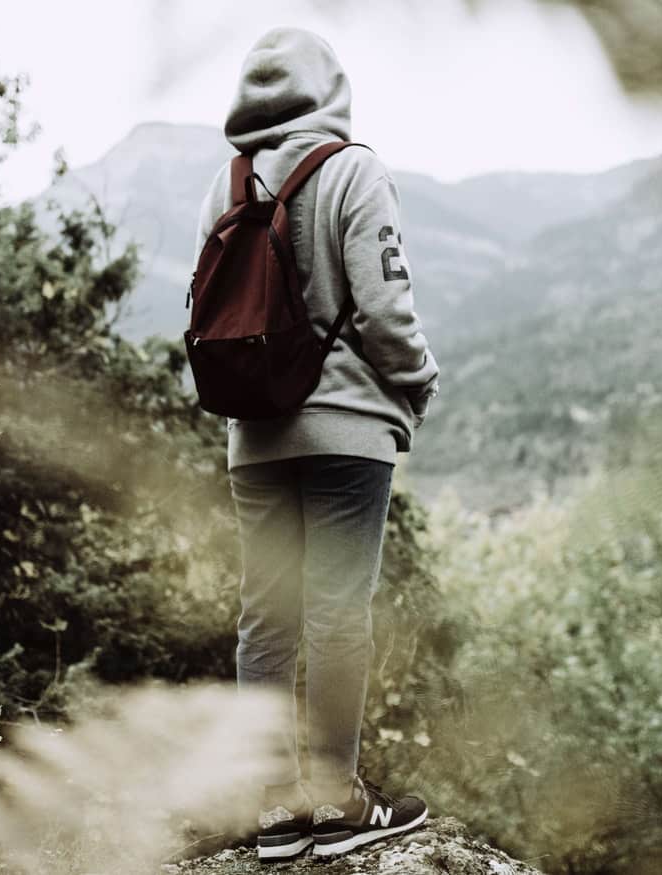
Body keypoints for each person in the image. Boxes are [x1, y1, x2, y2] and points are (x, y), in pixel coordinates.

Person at [191, 25, 440, 860]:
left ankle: (271, 812)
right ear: (328, 86)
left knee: (265, 618)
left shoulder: (223, 186)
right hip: (346, 431)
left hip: (251, 435)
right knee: (338, 613)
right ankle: (337, 803)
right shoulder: (352, 169)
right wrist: (419, 382)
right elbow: (383, 306)